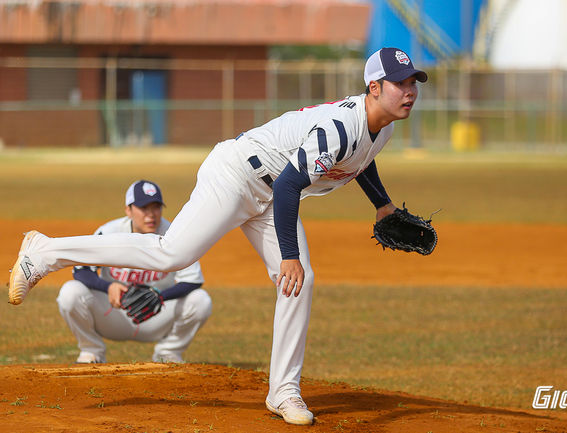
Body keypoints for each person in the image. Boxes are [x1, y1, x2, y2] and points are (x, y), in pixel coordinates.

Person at [9, 47, 427, 426]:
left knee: (300, 284)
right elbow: (288, 187)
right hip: (237, 174)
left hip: (270, 191)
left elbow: (360, 159)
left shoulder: (383, 127)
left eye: (413, 83)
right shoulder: (338, 126)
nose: (409, 91)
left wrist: (383, 205)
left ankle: (283, 391)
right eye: (400, 83)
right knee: (172, 254)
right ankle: (45, 252)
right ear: (374, 87)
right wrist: (287, 254)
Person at [56, 180, 212, 364]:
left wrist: (160, 296)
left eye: (156, 207)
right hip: (113, 312)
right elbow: (81, 271)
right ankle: (92, 351)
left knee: (200, 300)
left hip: (155, 314)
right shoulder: (109, 233)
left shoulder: (175, 234)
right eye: (143, 208)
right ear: (128, 210)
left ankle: (168, 354)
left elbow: (193, 280)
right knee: (70, 292)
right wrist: (108, 286)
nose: (151, 215)